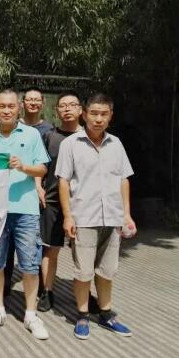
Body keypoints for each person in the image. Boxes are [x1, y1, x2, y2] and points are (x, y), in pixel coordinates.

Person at [56, 93, 136, 340]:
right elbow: (63, 181)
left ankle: (106, 313)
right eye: (94, 113)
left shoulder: (116, 144)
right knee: (83, 271)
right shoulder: (70, 144)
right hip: (84, 217)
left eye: (104, 114)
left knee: (107, 270)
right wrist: (68, 216)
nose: (98, 119)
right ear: (84, 114)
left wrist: (127, 214)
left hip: (112, 217)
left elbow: (123, 179)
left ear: (110, 116)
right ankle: (82, 315)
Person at [0, 89, 50, 340]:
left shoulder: (31, 135)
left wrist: (23, 166)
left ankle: (31, 314)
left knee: (30, 264)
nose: (6, 110)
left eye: (11, 106)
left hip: (26, 210)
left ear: (19, 108)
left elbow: (42, 169)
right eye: (2, 106)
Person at [37, 91, 82, 312]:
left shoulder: (88, 137)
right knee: (50, 250)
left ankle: (85, 294)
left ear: (80, 109)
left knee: (82, 253)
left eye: (72, 105)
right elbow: (40, 164)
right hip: (53, 201)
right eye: (62, 105)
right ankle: (47, 292)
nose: (67, 109)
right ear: (56, 110)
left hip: (82, 203)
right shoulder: (49, 136)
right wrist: (38, 186)